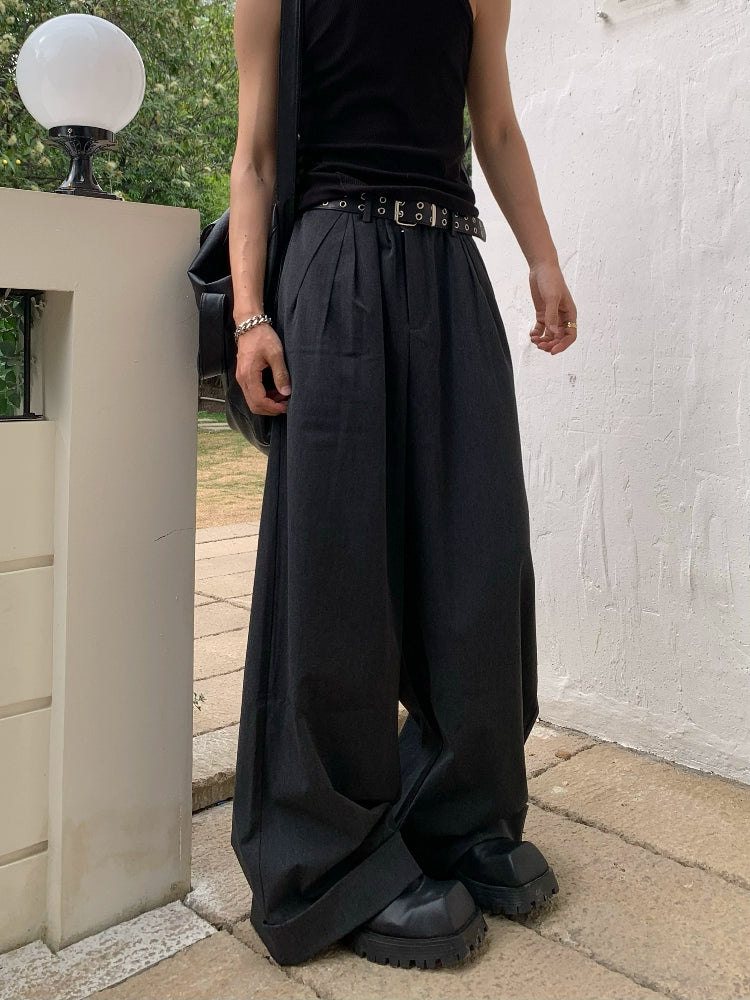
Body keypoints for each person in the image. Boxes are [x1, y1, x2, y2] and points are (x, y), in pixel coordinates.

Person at [228, 0, 578, 971]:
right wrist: (251, 314)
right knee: (337, 562)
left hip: (451, 263)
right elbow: (255, 156)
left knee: (481, 550)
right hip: (334, 258)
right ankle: (330, 853)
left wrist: (543, 259)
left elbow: (492, 127)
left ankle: (460, 813)